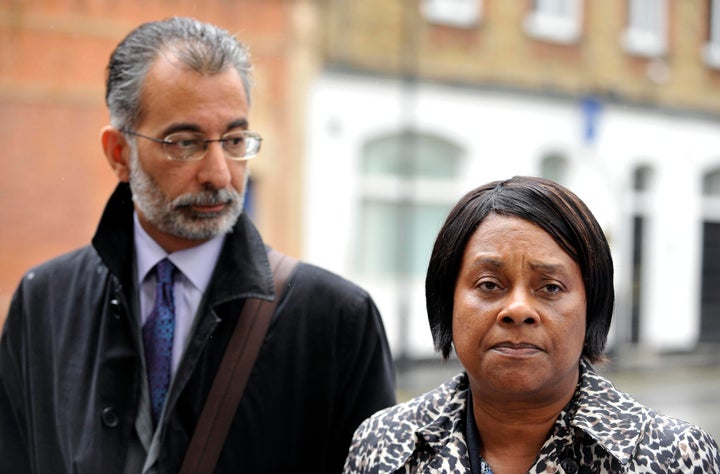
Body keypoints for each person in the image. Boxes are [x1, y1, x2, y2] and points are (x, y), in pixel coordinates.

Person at [0, 17, 396, 474]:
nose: (220, 175)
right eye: (185, 143)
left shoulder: (337, 320)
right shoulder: (45, 300)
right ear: (118, 154)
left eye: (234, 140)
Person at [344, 176, 720, 473]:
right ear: (447, 301)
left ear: (593, 305)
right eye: (489, 285)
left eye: (551, 287)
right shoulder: (383, 444)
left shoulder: (673, 456)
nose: (518, 310)